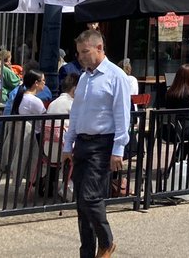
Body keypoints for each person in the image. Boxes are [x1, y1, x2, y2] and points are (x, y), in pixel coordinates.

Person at [62, 28, 131, 258]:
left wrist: (118, 149)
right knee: (81, 204)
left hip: (102, 143)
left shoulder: (116, 76)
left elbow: (122, 114)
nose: (81, 56)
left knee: (91, 197)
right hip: (82, 142)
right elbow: (76, 113)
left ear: (99, 48)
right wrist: (67, 144)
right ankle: (87, 252)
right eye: (79, 52)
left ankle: (106, 241)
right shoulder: (84, 78)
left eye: (85, 51)